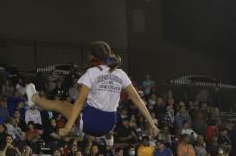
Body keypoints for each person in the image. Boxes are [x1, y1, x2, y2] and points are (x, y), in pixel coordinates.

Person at [26, 41, 158, 138]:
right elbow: (137, 99)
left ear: (93, 56)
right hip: (109, 124)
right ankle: (105, 138)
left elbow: (79, 102)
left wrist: (67, 127)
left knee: (62, 105)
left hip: (91, 122)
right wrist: (152, 124)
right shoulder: (120, 74)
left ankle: (34, 99)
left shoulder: (92, 72)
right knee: (83, 106)